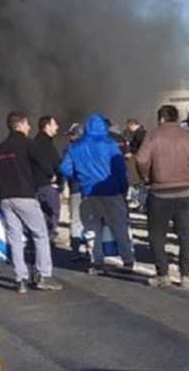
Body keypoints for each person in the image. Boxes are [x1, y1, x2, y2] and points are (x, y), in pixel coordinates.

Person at [136, 105, 189, 288]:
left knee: (157, 236)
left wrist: (146, 177)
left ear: (161, 119)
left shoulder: (153, 136)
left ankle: (163, 274)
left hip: (159, 192)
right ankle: (185, 275)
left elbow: (141, 159)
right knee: (185, 235)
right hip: (184, 192)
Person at [0, 112, 63, 294]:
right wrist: (50, 175)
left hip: (6, 198)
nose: (29, 127)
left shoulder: (0, 148)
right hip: (25, 196)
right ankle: (44, 276)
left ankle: (20, 279)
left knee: (15, 239)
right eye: (27, 124)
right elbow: (45, 165)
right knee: (40, 234)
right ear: (20, 125)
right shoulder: (29, 144)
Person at [60, 114, 135, 275]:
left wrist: (80, 178)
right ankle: (127, 260)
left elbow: (65, 169)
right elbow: (120, 170)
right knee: (119, 226)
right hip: (112, 192)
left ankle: (97, 262)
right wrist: (123, 188)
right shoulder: (110, 145)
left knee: (92, 229)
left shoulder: (76, 147)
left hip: (88, 194)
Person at [33, 116, 62, 241]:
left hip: (36, 186)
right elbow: (54, 163)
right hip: (47, 186)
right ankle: (47, 243)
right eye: (54, 124)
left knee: (40, 218)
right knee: (52, 216)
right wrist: (55, 176)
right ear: (47, 127)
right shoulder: (45, 144)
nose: (57, 127)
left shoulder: (35, 142)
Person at [64, 123, 87, 260]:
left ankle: (76, 250)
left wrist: (73, 177)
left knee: (76, 220)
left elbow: (65, 169)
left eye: (71, 135)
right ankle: (93, 251)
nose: (70, 138)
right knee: (92, 220)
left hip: (76, 187)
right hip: (92, 188)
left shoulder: (70, 149)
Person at [123, 119, 148, 210]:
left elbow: (140, 147)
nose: (128, 129)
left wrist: (132, 153)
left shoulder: (139, 133)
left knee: (138, 182)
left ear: (132, 125)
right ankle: (139, 201)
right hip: (140, 160)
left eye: (129, 127)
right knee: (139, 183)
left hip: (138, 160)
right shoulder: (142, 132)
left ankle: (139, 202)